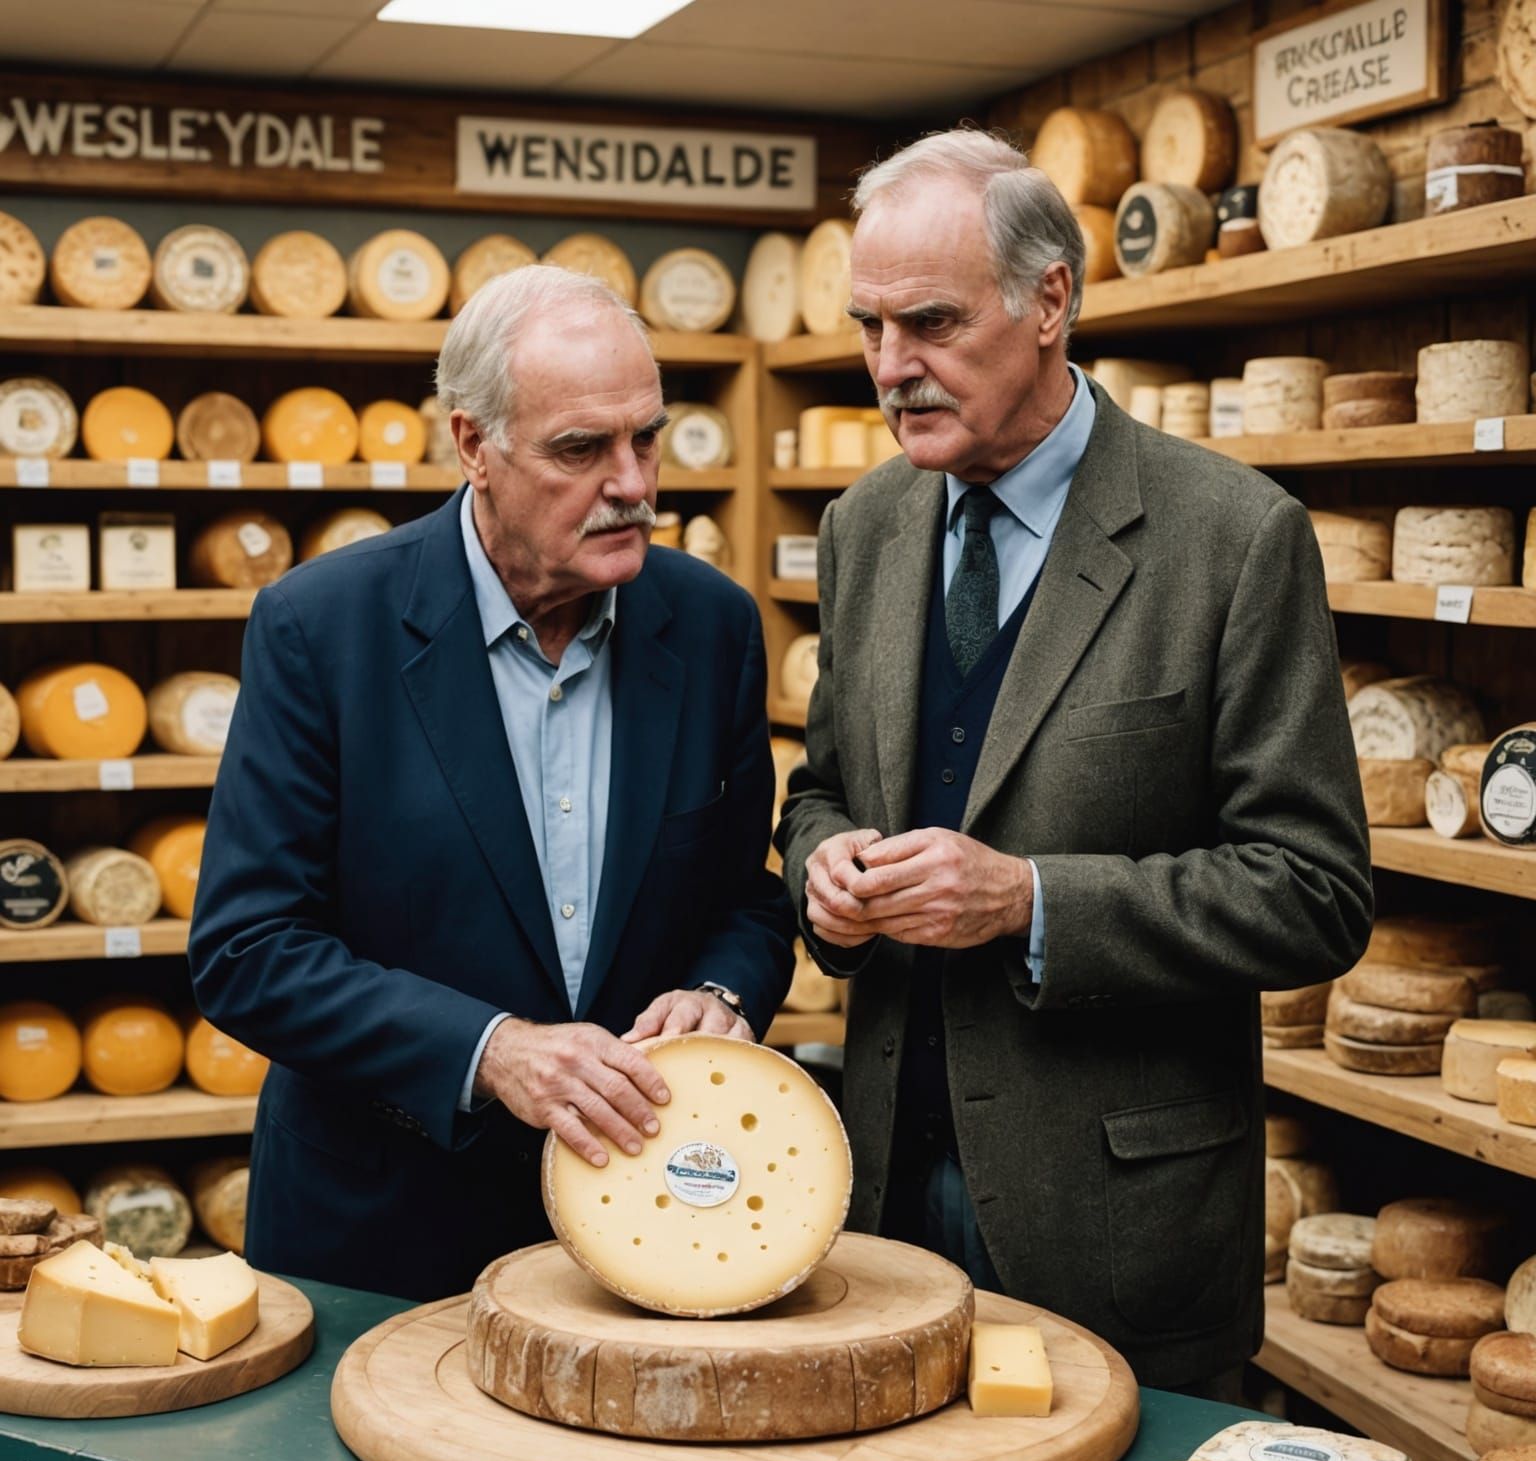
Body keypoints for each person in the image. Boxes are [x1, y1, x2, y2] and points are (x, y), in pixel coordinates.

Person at [774, 129, 1372, 1393]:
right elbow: (821, 782)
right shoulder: (866, 526)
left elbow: (1313, 890)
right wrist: (822, 862)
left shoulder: (1233, 537)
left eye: (930, 323)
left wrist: (1031, 901)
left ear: (1051, 299)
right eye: (869, 328)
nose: (892, 368)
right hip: (876, 1188)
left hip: (1112, 1220)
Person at [191, 264, 796, 1301]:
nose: (635, 485)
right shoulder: (322, 627)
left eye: (645, 438)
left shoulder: (712, 626)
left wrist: (720, 992)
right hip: (383, 1237)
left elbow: (745, 897)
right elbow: (248, 951)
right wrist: (491, 1050)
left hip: (641, 1227)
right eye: (581, 450)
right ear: (474, 444)